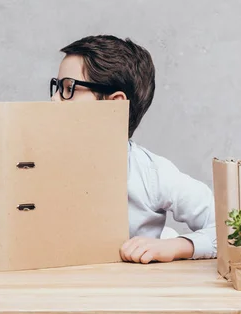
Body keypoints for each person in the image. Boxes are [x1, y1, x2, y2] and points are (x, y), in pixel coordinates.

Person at [51, 35, 216, 264]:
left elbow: (233, 228)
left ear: (115, 103)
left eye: (69, 88)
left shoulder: (150, 173)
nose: (54, 100)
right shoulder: (39, 163)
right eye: (57, 88)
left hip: (130, 292)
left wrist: (176, 246)